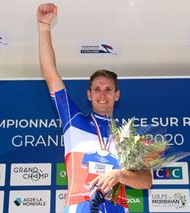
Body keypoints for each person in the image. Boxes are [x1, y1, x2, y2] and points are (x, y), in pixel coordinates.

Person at [37, 3, 152, 212]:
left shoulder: (127, 137)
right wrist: (44, 28)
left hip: (117, 207)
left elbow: (146, 181)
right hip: (79, 206)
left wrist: (120, 175)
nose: (102, 94)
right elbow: (51, 74)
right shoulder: (74, 120)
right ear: (89, 94)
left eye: (108, 90)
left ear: (117, 95)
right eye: (97, 89)